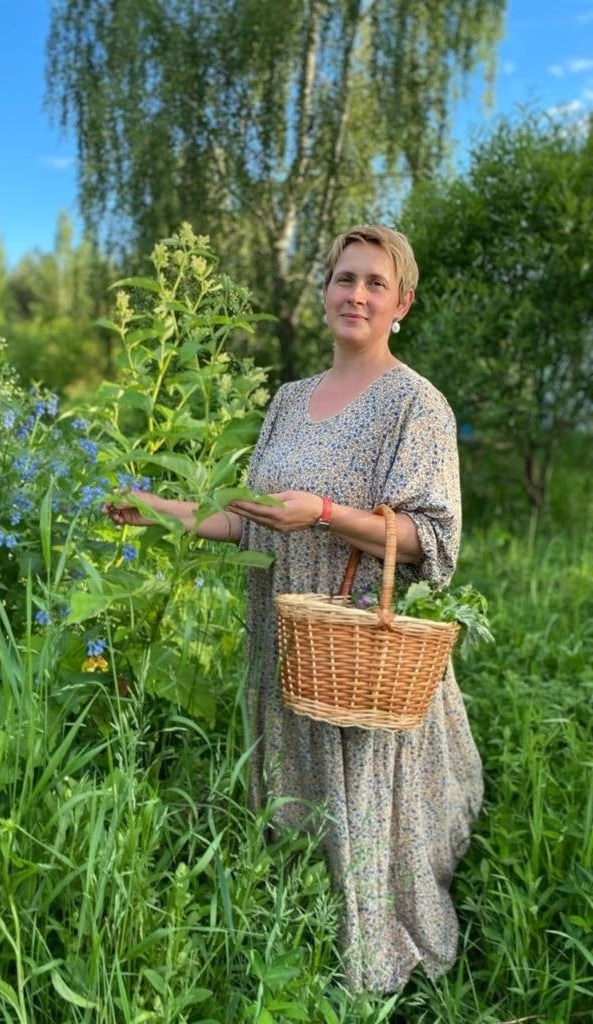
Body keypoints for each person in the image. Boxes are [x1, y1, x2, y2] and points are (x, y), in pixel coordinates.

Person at [104, 224, 483, 994]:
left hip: (355, 645)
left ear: (401, 303)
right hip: (284, 636)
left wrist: (324, 512)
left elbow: (431, 539)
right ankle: (292, 941)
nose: (358, 295)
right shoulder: (287, 401)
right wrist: (161, 509)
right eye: (345, 279)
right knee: (292, 804)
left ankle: (369, 968)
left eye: (377, 283)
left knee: (364, 804)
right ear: (323, 294)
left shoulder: (417, 405)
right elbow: (248, 517)